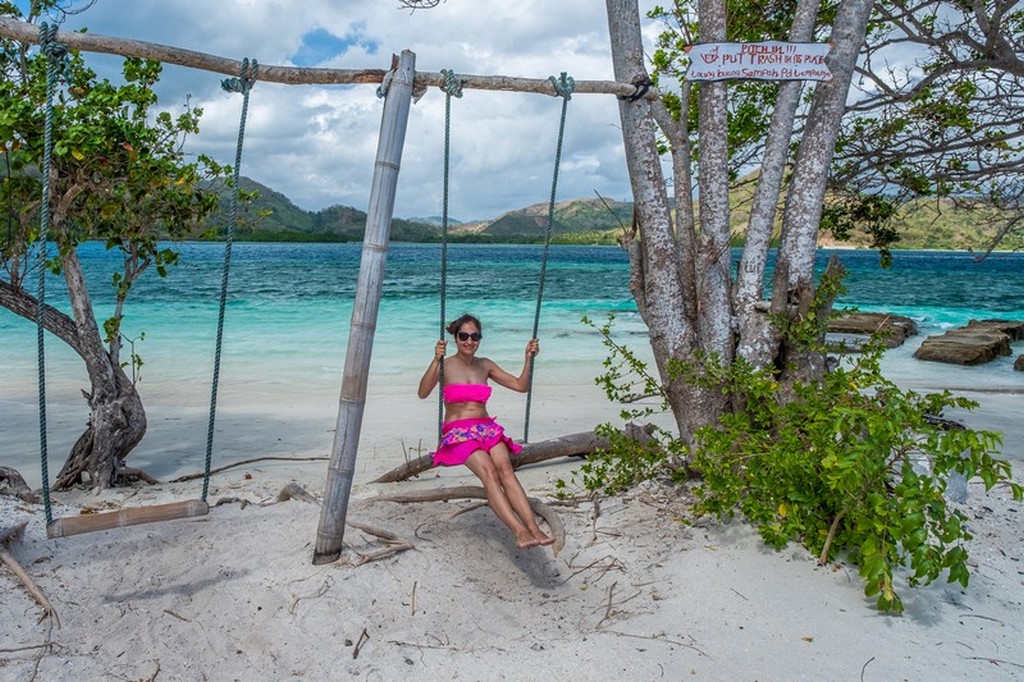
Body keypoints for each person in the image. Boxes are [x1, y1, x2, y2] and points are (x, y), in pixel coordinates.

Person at [418, 313, 555, 549]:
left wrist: (528, 358)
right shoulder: (445, 365)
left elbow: (521, 386)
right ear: (455, 336)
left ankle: (534, 527)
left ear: (480, 338)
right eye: (463, 336)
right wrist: (435, 360)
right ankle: (519, 530)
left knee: (506, 470)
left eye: (475, 336)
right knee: (489, 472)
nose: (469, 341)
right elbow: (422, 392)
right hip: (458, 432)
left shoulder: (486, 365)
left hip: (486, 428)